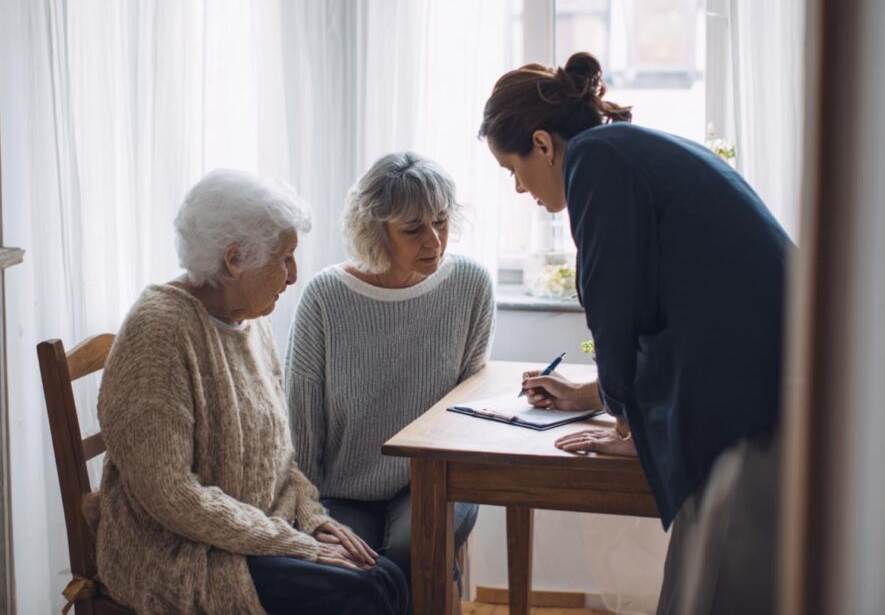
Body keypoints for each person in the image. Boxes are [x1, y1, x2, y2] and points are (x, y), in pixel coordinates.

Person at [479, 53, 789, 615]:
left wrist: (627, 422)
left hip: (752, 404)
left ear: (543, 145)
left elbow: (612, 302)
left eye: (512, 170)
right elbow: (666, 307)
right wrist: (598, 395)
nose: (520, 189)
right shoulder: (630, 148)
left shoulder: (597, 160)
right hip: (764, 378)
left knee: (712, 591)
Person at [93, 170, 409, 615]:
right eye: (284, 259)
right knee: (365, 592)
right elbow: (172, 496)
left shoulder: (251, 320)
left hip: (256, 529)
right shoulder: (159, 333)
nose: (294, 275)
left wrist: (311, 517)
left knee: (389, 574)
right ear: (234, 260)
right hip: (182, 553)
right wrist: (290, 542)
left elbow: (278, 453)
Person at [285, 152, 494, 601]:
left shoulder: (471, 285)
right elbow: (301, 421)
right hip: (340, 488)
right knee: (350, 571)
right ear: (376, 229)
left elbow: (467, 400)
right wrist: (306, 512)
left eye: (441, 221)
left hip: (435, 476)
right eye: (413, 229)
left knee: (410, 554)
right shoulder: (325, 297)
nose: (434, 241)